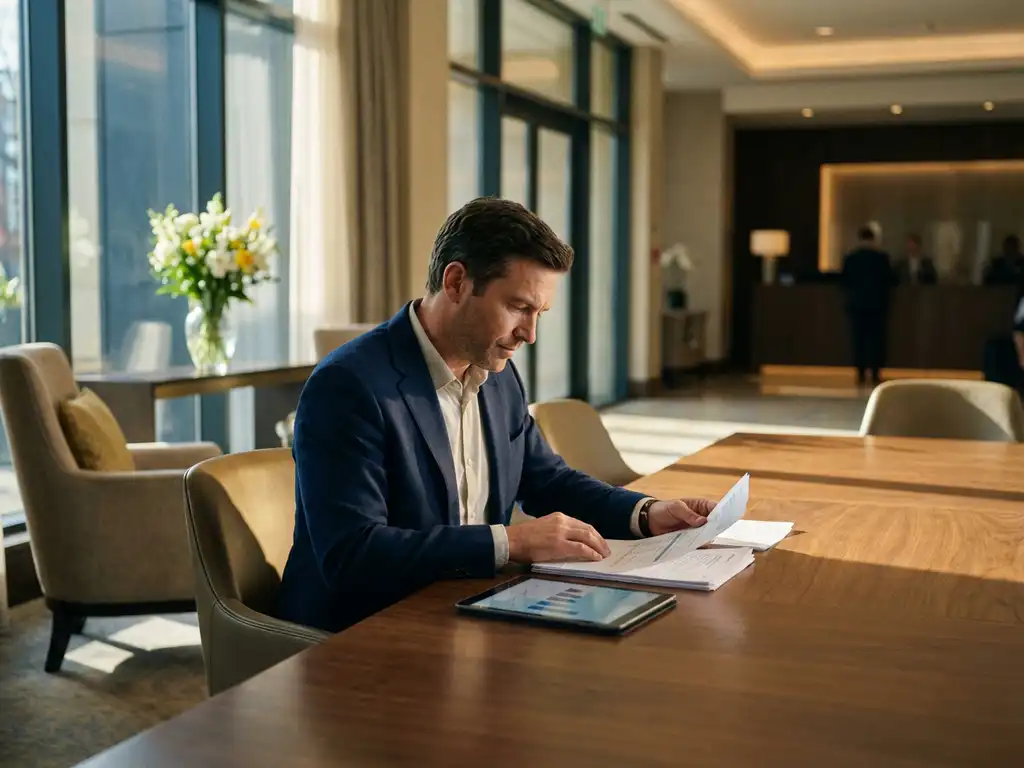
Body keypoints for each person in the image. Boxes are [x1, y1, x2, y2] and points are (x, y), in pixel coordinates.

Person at [275, 197, 717, 633]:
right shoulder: (348, 386)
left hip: (468, 608)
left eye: (539, 313)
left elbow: (549, 481)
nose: (530, 334)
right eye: (519, 307)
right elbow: (353, 554)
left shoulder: (497, 375)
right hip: (363, 633)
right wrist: (511, 542)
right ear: (456, 283)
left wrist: (646, 513)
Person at [841, 225, 893, 387]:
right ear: (873, 239)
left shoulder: (851, 258)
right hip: (877, 306)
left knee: (858, 340)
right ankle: (876, 373)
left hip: (856, 306)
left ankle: (861, 373)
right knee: (877, 341)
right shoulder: (881, 258)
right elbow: (890, 280)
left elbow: (844, 281)